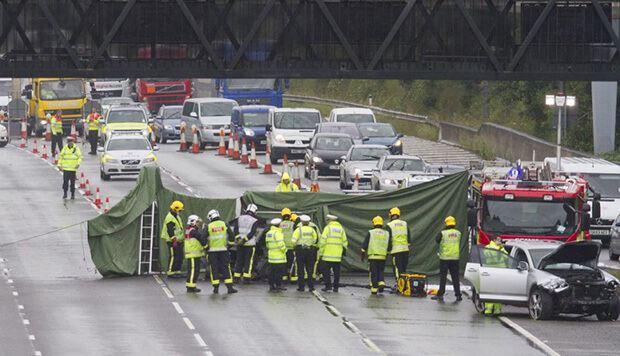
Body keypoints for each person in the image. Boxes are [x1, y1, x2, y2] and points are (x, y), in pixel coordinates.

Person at [204, 209, 238, 294]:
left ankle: (216, 288)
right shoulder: (224, 224)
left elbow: (203, 237)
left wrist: (206, 247)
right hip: (223, 250)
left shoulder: (208, 226)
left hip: (212, 251)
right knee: (226, 268)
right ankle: (229, 287)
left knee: (214, 268)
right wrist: (229, 245)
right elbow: (231, 235)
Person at [431, 216, 462, 302]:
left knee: (443, 277)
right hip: (455, 258)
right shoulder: (458, 233)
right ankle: (458, 295)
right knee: (455, 277)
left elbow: (437, 240)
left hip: (444, 258)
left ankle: (440, 294)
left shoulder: (443, 233)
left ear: (446, 224)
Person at [361, 216, 392, 295]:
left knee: (373, 272)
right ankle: (381, 283)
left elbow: (365, 244)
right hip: (382, 256)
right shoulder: (386, 233)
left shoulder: (371, 232)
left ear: (374, 223)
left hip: (373, 256)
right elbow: (389, 246)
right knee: (381, 270)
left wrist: (362, 254)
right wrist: (386, 254)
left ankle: (374, 289)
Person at [319, 214, 348, 292]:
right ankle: (336, 287)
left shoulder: (327, 228)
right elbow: (345, 242)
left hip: (327, 255)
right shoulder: (341, 229)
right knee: (337, 273)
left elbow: (322, 242)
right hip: (337, 256)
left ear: (329, 220)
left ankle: (328, 286)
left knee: (326, 272)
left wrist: (320, 253)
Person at [233, 204, 260, 283]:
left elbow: (235, 230)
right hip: (250, 244)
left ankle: (236, 277)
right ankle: (246, 278)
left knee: (239, 260)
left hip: (240, 244)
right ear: (254, 211)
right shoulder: (254, 220)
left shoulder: (239, 218)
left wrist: (239, 239)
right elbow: (252, 232)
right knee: (248, 261)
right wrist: (244, 240)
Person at [292, 215, 319, 292]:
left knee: (300, 269)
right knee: (309, 269)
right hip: (310, 250)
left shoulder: (298, 230)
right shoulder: (312, 230)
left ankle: (301, 286)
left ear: (301, 222)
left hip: (300, 251)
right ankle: (311, 286)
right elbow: (315, 240)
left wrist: (296, 246)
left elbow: (293, 241)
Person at [483, 235, 507, 315]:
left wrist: (501, 248)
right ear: (494, 240)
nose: (499, 242)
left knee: (499, 292)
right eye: (498, 240)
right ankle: (488, 310)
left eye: (500, 240)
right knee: (490, 292)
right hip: (491, 272)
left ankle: (497, 310)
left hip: (500, 272)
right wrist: (499, 248)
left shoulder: (500, 248)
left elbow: (506, 257)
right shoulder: (488, 247)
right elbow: (491, 255)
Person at [387, 207, 411, 284]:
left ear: (391, 215)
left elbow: (388, 239)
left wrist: (388, 250)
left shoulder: (390, 225)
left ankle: (400, 285)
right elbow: (409, 236)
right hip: (405, 249)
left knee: (398, 269)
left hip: (396, 251)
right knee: (404, 269)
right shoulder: (404, 223)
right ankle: (404, 285)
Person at [161, 201, 185, 278]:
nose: (180, 212)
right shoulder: (170, 218)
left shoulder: (176, 216)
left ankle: (177, 271)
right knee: (173, 256)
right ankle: (170, 272)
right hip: (171, 241)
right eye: (180, 210)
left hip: (179, 240)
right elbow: (170, 230)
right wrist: (173, 240)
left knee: (180, 255)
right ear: (175, 209)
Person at [185, 215, 208, 293]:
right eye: (197, 222)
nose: (198, 223)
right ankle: (190, 287)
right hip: (193, 254)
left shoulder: (190, 229)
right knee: (193, 271)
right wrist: (206, 246)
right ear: (192, 222)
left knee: (194, 270)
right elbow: (200, 238)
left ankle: (192, 285)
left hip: (193, 254)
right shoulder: (193, 231)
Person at [265, 218, 287, 291]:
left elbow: (267, 244)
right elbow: (281, 245)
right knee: (279, 272)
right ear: (279, 225)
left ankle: (271, 285)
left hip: (271, 256)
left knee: (271, 272)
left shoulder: (269, 233)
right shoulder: (278, 234)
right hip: (279, 257)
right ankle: (278, 285)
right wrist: (285, 249)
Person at [279, 208, 298, 283]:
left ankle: (284, 278)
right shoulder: (292, 224)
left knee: (283, 263)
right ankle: (293, 279)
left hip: (282, 248)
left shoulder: (279, 225)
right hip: (291, 247)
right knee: (293, 264)